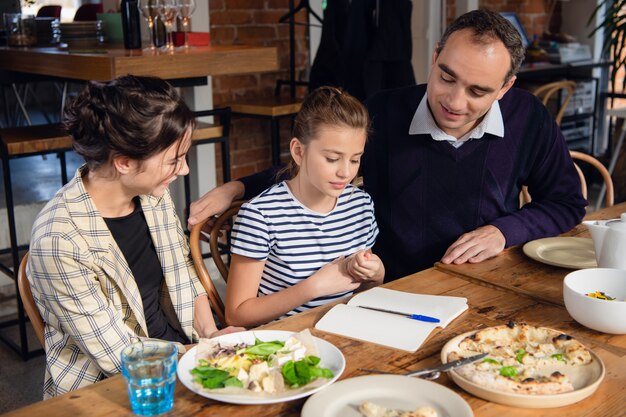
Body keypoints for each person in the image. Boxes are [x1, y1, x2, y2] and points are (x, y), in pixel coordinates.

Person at [188, 9, 586, 282]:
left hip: (490, 281)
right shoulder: (385, 110)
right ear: (434, 57)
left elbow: (567, 203)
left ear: (505, 88)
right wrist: (238, 187)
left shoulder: (528, 117)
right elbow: (314, 166)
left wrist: (503, 231)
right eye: (446, 77)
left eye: (478, 91)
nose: (455, 101)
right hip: (391, 285)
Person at [27, 75, 240, 399]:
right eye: (174, 160)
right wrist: (207, 358)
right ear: (124, 162)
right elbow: (118, 355)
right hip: (111, 386)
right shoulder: (59, 241)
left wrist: (212, 335)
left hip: (181, 352)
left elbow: (183, 273)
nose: (184, 170)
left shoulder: (152, 195)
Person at [224, 87, 384, 327]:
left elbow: (365, 291)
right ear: (299, 152)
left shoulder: (360, 205)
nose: (346, 172)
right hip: (288, 343)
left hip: (349, 332)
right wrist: (314, 287)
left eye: (355, 159)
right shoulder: (260, 216)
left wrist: (376, 274)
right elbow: (236, 314)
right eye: (332, 158)